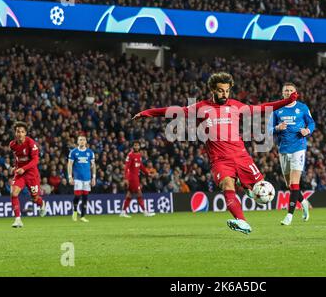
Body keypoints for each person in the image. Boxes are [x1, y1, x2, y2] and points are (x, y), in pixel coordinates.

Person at [133, 72, 298, 234]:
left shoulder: (236, 106)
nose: (224, 94)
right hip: (219, 160)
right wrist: (147, 112)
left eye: (227, 90)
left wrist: (287, 101)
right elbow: (172, 111)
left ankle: (249, 190)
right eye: (220, 90)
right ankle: (243, 221)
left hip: (241, 156)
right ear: (212, 89)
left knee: (260, 188)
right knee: (227, 184)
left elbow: (262, 108)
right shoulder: (200, 108)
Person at [268, 83, 315, 226]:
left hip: (298, 148)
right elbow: (269, 129)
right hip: (283, 149)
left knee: (295, 183)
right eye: (286, 91)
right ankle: (304, 203)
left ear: (296, 93)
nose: (288, 92)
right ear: (282, 94)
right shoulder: (277, 110)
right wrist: (277, 127)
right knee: (290, 184)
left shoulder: (302, 107)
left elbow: (311, 123)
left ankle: (289, 215)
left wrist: (307, 131)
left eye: (290, 90)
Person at [9, 121, 46, 228]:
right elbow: (18, 159)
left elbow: (35, 160)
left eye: (22, 132)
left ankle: (42, 204)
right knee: (14, 193)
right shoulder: (12, 145)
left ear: (25, 133)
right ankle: (18, 220)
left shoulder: (31, 143)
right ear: (15, 133)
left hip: (31, 173)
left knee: (35, 198)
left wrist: (23, 168)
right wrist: (15, 167)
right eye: (17, 132)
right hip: (20, 173)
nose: (19, 134)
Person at [120, 140, 156, 218]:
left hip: (136, 178)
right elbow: (126, 167)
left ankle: (123, 212)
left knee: (129, 195)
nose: (136, 147)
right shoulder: (130, 155)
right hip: (132, 178)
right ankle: (145, 212)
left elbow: (141, 166)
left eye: (138, 145)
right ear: (133, 146)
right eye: (135, 145)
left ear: (139, 146)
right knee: (139, 194)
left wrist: (147, 173)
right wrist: (125, 178)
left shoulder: (139, 155)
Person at [67, 133, 96, 223]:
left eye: (83, 139)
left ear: (86, 141)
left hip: (87, 179)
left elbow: (93, 165)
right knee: (77, 196)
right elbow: (70, 165)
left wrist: (94, 177)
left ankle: (83, 216)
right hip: (77, 178)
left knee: (85, 197)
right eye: (80, 140)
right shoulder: (74, 152)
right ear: (77, 141)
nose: (82, 141)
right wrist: (70, 177)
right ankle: (75, 211)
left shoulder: (90, 152)